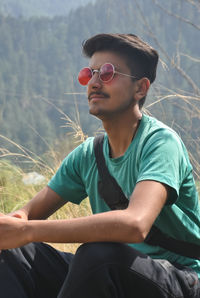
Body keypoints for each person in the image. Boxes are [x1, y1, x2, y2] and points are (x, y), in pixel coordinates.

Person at [0, 33, 199, 298]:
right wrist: (16, 227)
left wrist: (27, 231)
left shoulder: (160, 143)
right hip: (112, 272)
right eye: (89, 73)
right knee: (10, 251)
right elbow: (24, 218)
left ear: (141, 88)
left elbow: (135, 225)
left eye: (107, 73)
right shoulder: (88, 155)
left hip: (179, 278)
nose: (94, 83)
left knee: (99, 255)